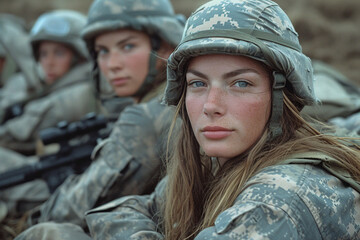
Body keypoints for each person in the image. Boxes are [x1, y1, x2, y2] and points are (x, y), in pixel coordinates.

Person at [73, 0, 360, 239]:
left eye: (241, 84)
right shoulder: (212, 167)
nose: (211, 106)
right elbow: (119, 212)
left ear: (282, 96)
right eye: (198, 84)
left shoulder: (280, 198)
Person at [15, 0, 184, 235]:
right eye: (102, 51)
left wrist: (24, 224)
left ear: (165, 47)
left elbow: (72, 210)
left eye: (127, 47)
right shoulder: (179, 98)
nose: (112, 65)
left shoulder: (146, 117)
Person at [0, 10, 97, 155]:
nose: (49, 62)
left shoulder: (80, 94)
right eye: (43, 54)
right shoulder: (27, 84)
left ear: (79, 57)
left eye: (59, 53)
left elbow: (15, 135)